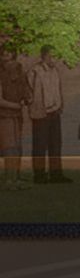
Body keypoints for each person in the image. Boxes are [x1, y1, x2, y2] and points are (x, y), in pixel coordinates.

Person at [25, 47, 67, 185]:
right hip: (41, 113)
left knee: (55, 144)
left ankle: (56, 174)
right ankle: (39, 176)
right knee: (39, 145)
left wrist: (60, 105)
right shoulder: (34, 71)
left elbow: (58, 89)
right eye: (51, 56)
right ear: (44, 55)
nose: (53, 59)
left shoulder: (55, 71)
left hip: (54, 112)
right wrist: (34, 105)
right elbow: (28, 91)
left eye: (55, 56)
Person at [0, 49, 29, 189]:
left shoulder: (20, 73)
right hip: (4, 116)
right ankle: (9, 181)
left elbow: (26, 92)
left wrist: (25, 100)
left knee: (17, 147)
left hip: (16, 116)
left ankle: (15, 178)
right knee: (9, 148)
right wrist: (16, 105)